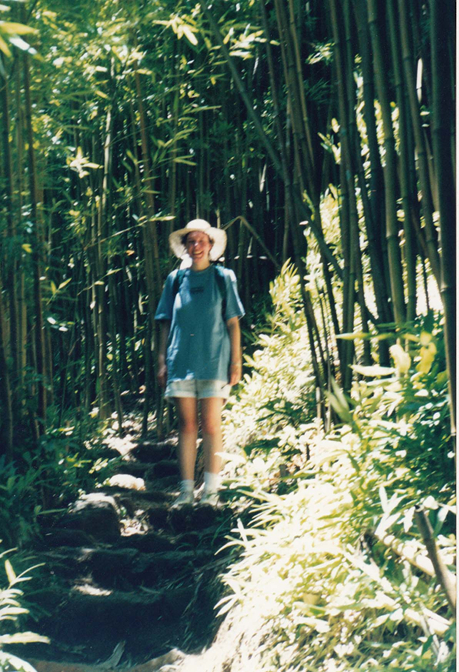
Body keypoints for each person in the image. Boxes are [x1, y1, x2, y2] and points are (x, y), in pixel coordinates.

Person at [155, 219, 245, 507]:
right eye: (191, 242)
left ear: (210, 246)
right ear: (185, 247)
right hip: (181, 359)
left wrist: (236, 361)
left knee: (211, 425)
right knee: (186, 425)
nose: (196, 247)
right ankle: (184, 492)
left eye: (201, 242)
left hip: (215, 359)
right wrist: (161, 359)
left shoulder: (223, 277)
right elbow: (165, 322)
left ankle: (211, 492)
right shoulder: (175, 279)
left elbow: (233, 323)